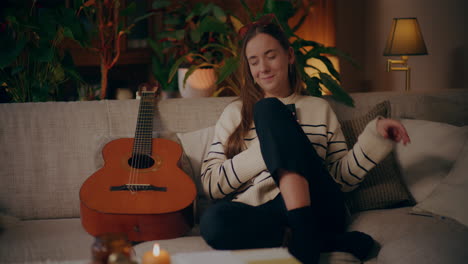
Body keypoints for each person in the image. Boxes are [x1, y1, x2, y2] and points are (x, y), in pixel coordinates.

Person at [199, 17, 410, 264]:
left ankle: (305, 233)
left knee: (268, 108)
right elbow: (211, 184)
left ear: (289, 56)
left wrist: (375, 137)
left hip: (319, 205)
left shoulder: (319, 108)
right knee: (214, 222)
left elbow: (341, 180)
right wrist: (268, 150)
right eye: (254, 61)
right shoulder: (235, 114)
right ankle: (316, 240)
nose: (263, 68)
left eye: (271, 56)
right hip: (268, 212)